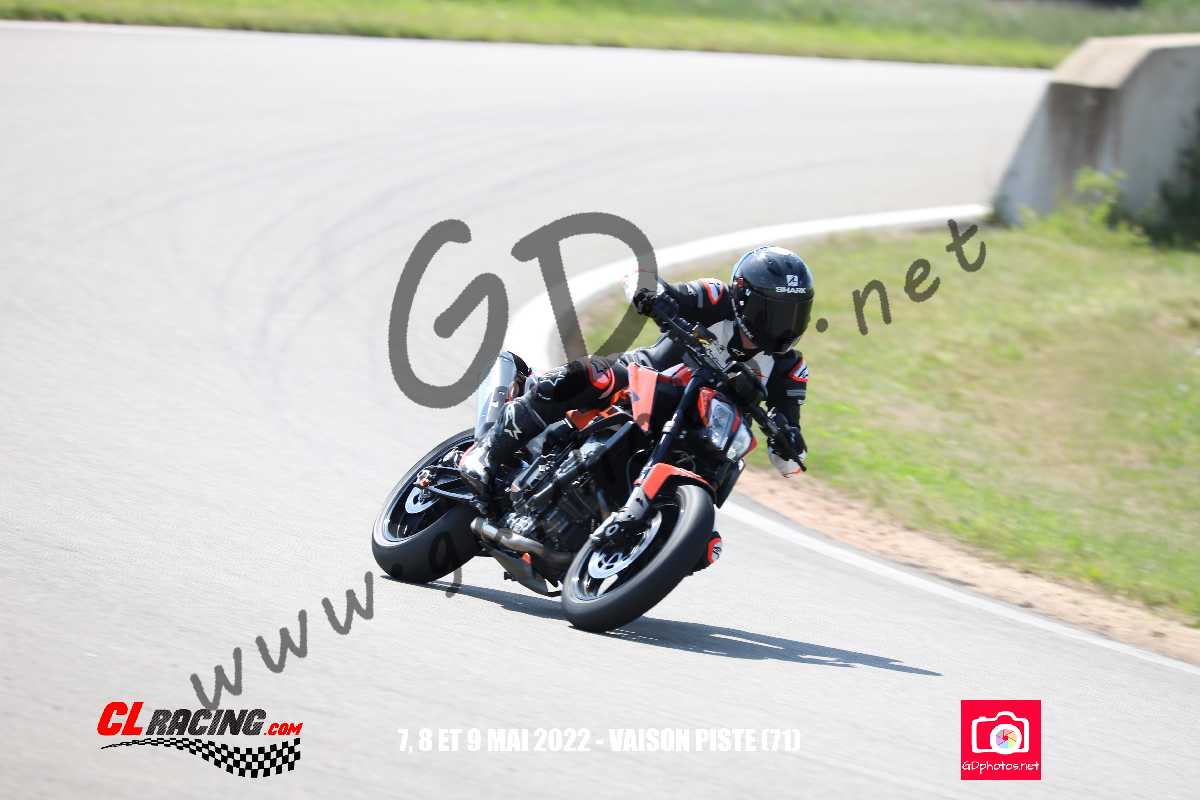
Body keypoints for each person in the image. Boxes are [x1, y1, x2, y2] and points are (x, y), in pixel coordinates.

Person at [459, 245, 814, 499]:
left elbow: (789, 454)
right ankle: (489, 451)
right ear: (742, 298)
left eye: (794, 314)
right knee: (590, 376)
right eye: (772, 313)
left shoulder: (790, 368)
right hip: (646, 378)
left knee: (721, 480)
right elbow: (642, 279)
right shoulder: (715, 297)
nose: (783, 326)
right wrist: (652, 295)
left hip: (705, 429)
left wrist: (787, 440)